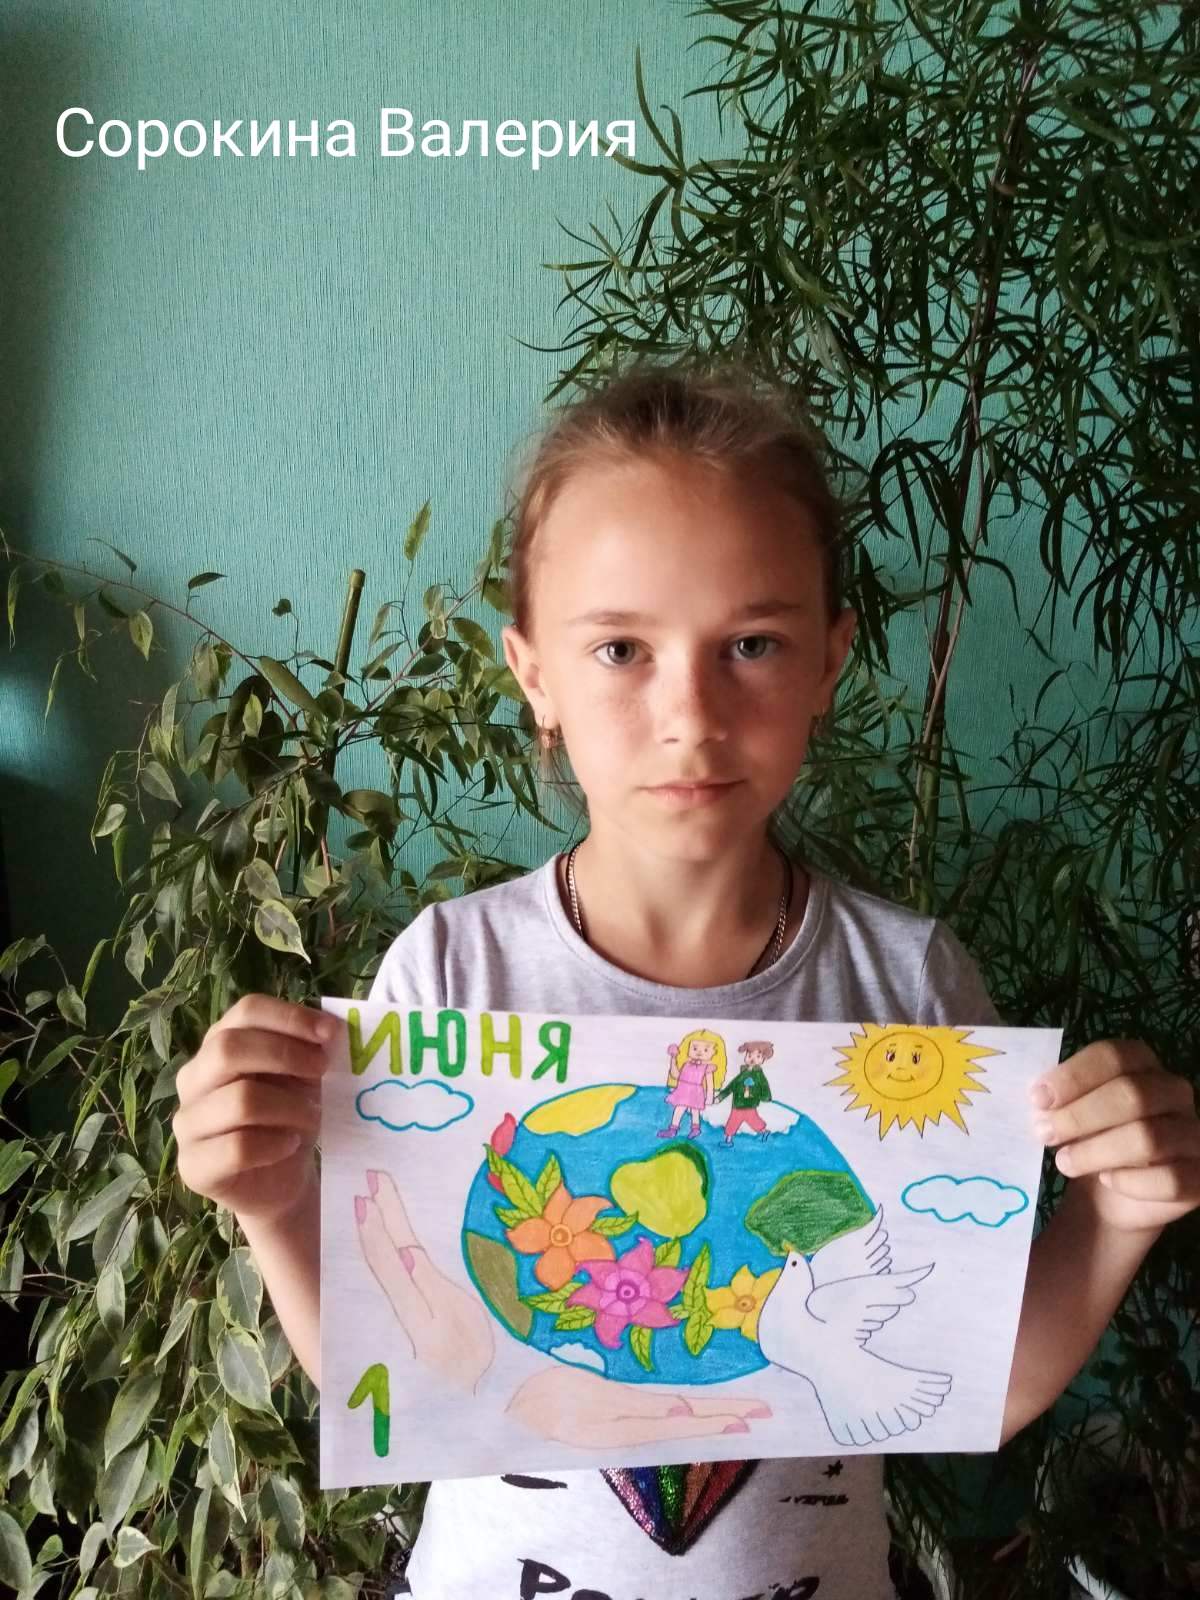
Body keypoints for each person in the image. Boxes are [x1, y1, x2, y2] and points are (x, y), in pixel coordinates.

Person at [173, 358, 1200, 1600]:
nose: (691, 714)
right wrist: (272, 1201)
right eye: (620, 648)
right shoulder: (451, 971)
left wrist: (1117, 1214)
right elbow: (401, 1362)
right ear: (534, 675)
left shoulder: (910, 985)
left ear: (829, 662)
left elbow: (967, 1378)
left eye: (751, 644)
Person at [716, 1039, 776, 1143]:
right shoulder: (742, 1074)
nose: (752, 1059)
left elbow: (764, 1086)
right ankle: (728, 1141)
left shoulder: (759, 1075)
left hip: (750, 1104)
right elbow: (732, 1086)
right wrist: (720, 1097)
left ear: (763, 1059)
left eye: (758, 1056)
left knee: (755, 1122)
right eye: (749, 1055)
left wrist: (766, 1097)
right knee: (733, 1122)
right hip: (738, 1104)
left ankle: (764, 1132)